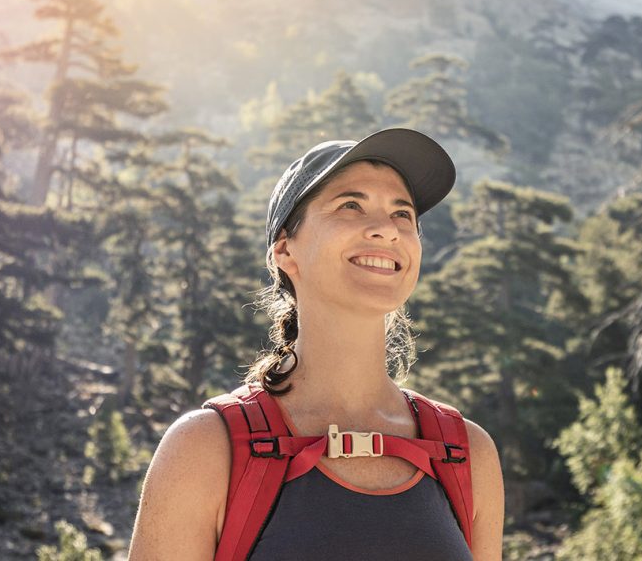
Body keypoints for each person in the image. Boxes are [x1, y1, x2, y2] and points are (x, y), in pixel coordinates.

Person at [126, 128, 504, 560]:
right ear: (285, 250)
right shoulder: (204, 450)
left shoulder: (468, 454)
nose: (386, 229)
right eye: (350, 205)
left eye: (403, 214)